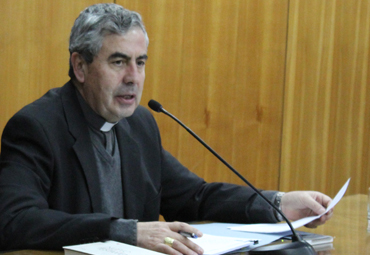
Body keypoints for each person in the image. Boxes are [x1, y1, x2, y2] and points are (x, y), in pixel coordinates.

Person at [0, 3, 333, 255]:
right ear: (80, 66)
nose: (133, 76)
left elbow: (193, 196)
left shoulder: (138, 124)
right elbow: (16, 221)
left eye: (140, 62)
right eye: (118, 62)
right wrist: (126, 231)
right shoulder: (37, 127)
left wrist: (277, 203)